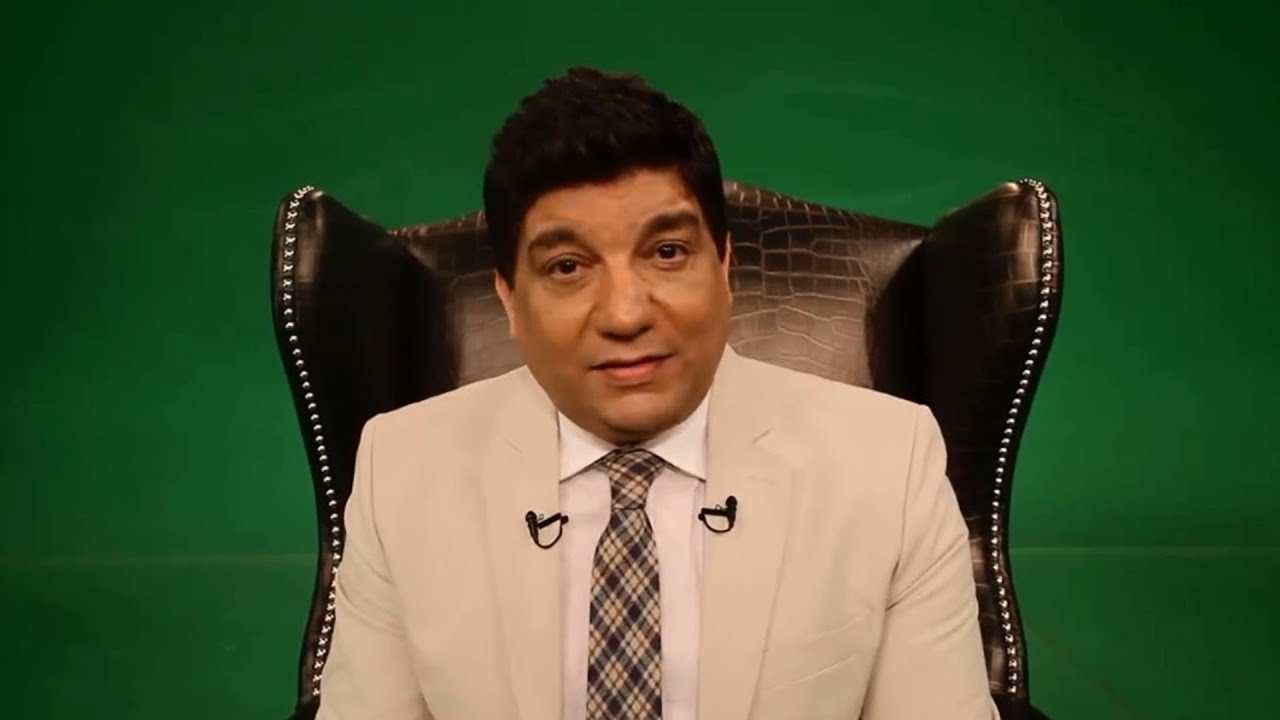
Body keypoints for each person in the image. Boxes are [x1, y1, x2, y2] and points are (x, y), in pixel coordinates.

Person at [316, 67, 999, 720]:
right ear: (509, 299)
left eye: (667, 252)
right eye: (567, 266)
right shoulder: (399, 471)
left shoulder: (890, 464)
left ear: (724, 264)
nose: (625, 314)